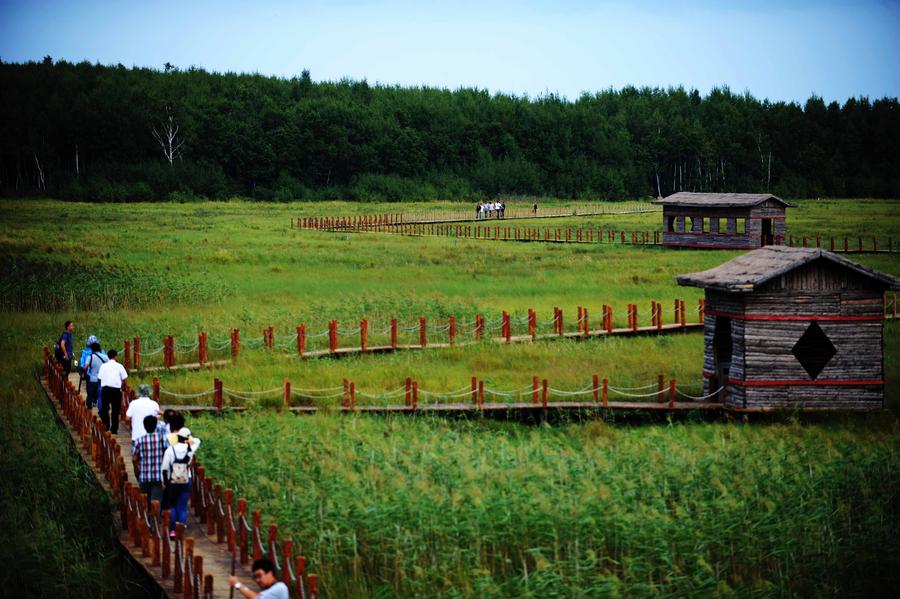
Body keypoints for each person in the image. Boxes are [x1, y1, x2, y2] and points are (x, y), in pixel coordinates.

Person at [161, 426, 200, 536]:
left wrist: (164, 482)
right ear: (188, 438)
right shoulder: (190, 450)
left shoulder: (170, 450)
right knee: (182, 507)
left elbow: (164, 467)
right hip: (186, 480)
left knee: (172, 506)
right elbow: (198, 440)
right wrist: (190, 439)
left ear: (178, 437)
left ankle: (172, 531)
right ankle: (181, 530)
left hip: (172, 481)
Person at [133, 415, 168, 509]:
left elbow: (134, 458)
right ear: (156, 425)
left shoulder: (139, 440)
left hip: (144, 476)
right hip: (158, 476)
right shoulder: (163, 439)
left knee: (145, 503)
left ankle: (147, 520)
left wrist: (138, 471)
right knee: (156, 502)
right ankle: (155, 521)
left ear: (144, 426)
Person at [98, 349, 128, 433]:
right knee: (115, 409)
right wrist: (124, 386)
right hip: (116, 390)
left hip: (106, 389)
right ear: (115, 356)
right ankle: (114, 429)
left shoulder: (103, 366)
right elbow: (125, 378)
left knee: (105, 408)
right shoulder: (119, 366)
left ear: (108, 356)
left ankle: (106, 426)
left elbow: (99, 378)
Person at [125, 383, 161, 451]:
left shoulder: (133, 403)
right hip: (150, 436)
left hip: (136, 435)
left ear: (139, 393)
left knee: (136, 457)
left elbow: (127, 418)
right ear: (149, 393)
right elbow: (157, 418)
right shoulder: (154, 404)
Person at [83, 341, 108, 409]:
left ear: (92, 349)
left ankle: (89, 406)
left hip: (92, 378)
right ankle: (101, 406)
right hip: (102, 379)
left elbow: (85, 367)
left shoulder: (90, 357)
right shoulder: (105, 357)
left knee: (90, 393)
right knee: (101, 394)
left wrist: (84, 373)